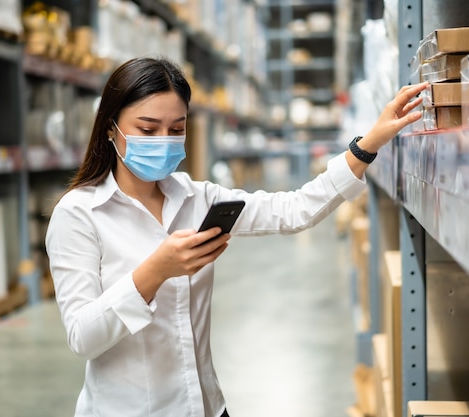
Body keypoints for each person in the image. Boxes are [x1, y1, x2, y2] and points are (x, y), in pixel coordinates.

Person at [45, 57, 427, 417]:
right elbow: (83, 337)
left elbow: (294, 210)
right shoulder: (79, 215)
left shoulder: (197, 200)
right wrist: (155, 271)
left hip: (205, 406)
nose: (163, 140)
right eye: (147, 129)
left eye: (176, 129)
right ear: (111, 127)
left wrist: (368, 144)